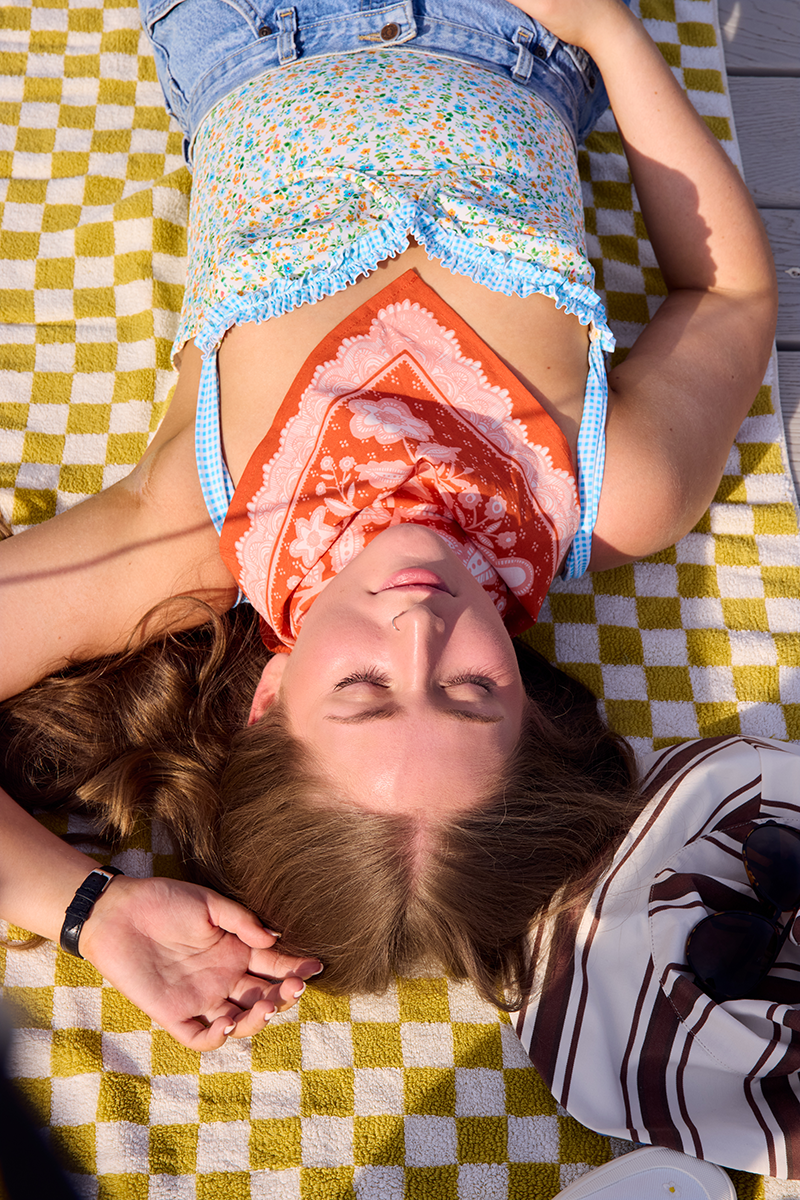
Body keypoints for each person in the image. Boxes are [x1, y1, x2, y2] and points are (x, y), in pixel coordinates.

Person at [0, 0, 777, 1047]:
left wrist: (86, 911)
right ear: (535, 713)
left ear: (266, 700)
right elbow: (727, 297)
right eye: (469, 691)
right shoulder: (612, 495)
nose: (419, 631)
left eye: (364, 689)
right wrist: (605, 31)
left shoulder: (198, 528)